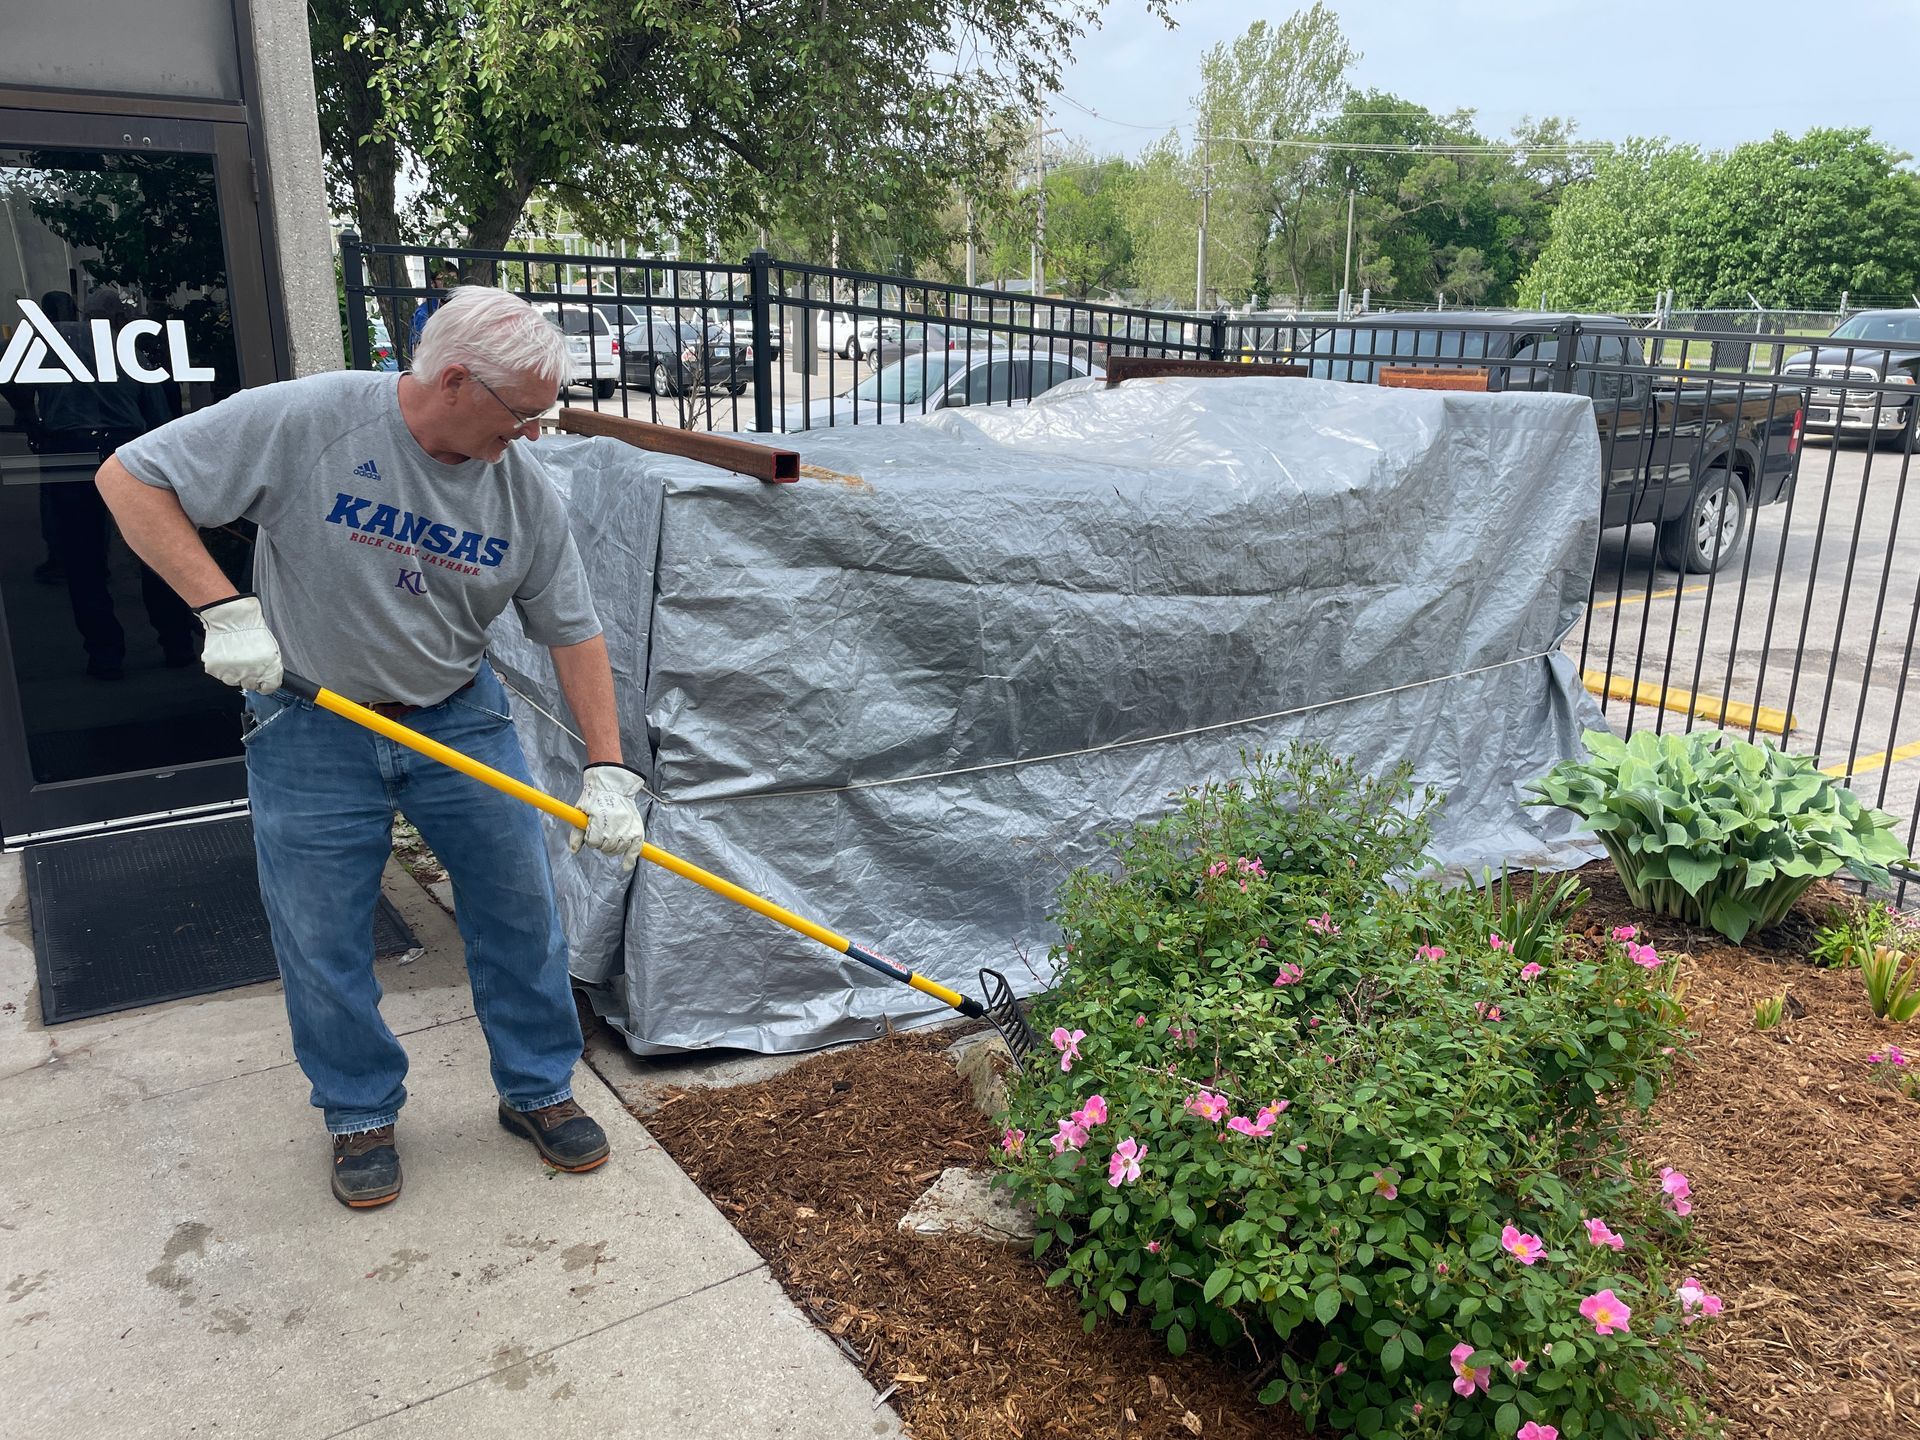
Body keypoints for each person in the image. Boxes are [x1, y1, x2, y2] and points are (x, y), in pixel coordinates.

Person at [94, 287, 647, 1209]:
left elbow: (574, 632)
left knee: (520, 913)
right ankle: (357, 1113)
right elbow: (128, 477)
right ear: (457, 380)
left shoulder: (521, 492)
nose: (532, 436)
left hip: (456, 716)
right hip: (312, 724)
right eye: (522, 416)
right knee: (321, 935)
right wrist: (222, 608)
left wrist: (608, 768)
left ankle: (540, 1091)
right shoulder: (310, 419)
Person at [408, 265, 458, 354]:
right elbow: (419, 350)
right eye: (442, 279)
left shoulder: (461, 307)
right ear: (432, 283)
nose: (448, 284)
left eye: (453, 279)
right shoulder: (424, 313)